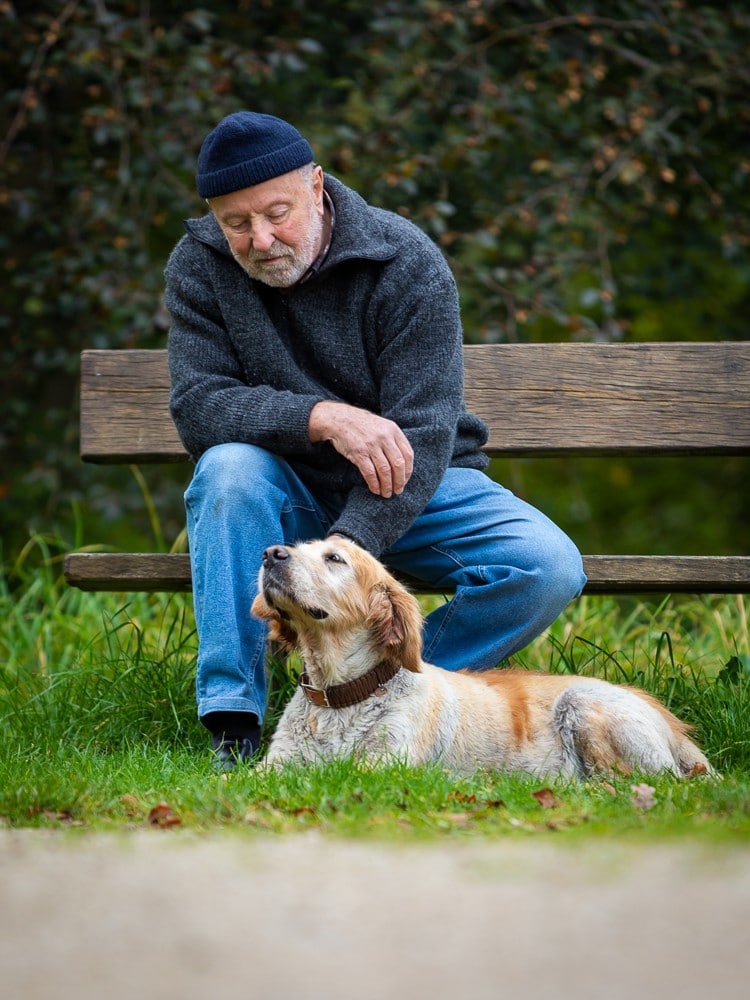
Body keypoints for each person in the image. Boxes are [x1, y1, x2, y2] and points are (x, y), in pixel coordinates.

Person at [164, 111, 586, 769]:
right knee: (227, 472)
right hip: (284, 488)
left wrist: (349, 549)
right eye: (236, 223)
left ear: (317, 185)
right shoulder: (199, 265)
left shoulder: (403, 258)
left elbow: (423, 428)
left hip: (414, 483)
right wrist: (322, 416)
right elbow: (200, 407)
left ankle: (389, 695)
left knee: (546, 566)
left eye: (278, 213)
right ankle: (234, 730)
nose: (261, 238)